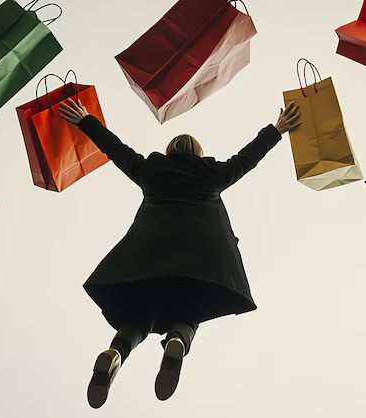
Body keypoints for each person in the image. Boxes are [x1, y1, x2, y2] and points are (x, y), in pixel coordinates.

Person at [59, 98, 301, 408]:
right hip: (201, 262)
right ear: (198, 154)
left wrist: (85, 120)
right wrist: (277, 129)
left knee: (138, 316)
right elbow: (247, 158)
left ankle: (117, 351)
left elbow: (116, 150)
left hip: (147, 258)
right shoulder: (214, 174)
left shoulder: (149, 171)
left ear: (170, 151)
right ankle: (177, 341)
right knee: (190, 312)